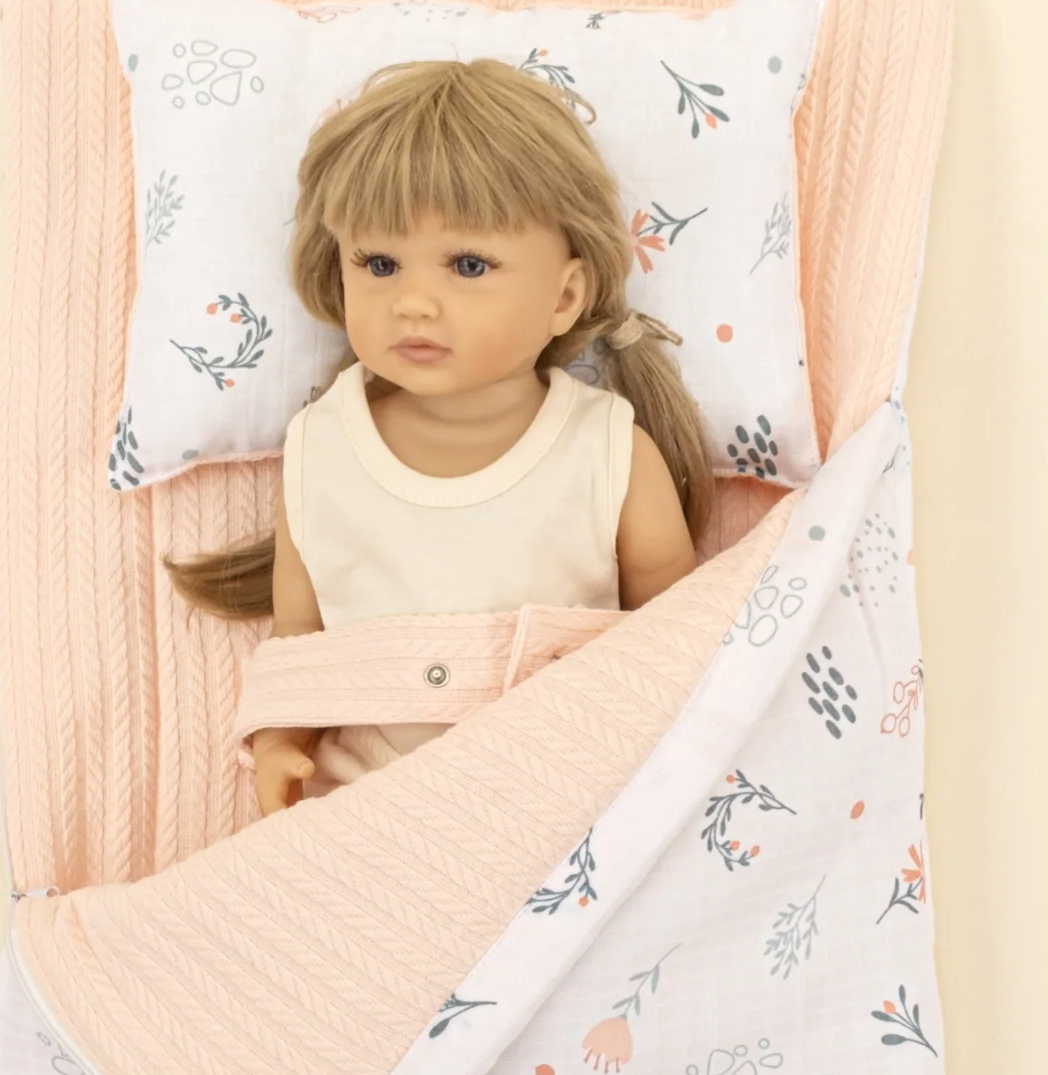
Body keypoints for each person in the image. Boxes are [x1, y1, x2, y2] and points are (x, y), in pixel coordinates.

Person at [165, 57, 713, 814]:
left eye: (468, 264)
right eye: (380, 263)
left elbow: (677, 646)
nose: (414, 302)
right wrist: (281, 739)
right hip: (373, 801)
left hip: (569, 797)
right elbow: (299, 637)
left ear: (564, 296)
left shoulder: (609, 455)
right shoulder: (321, 451)